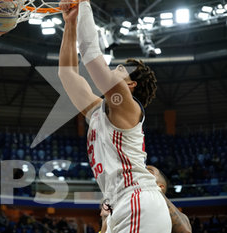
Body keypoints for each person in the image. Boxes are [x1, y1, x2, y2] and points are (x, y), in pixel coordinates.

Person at [58, 1, 170, 232]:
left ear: (130, 84)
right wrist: (70, 23)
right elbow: (67, 73)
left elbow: (91, 56)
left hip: (137, 199)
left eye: (119, 70)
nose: (112, 72)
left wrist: (83, 7)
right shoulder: (100, 110)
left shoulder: (127, 106)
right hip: (119, 204)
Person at [100, 166, 192, 233]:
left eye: (149, 171)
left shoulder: (173, 214)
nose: (143, 172)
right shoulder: (123, 206)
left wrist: (153, 188)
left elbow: (185, 231)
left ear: (161, 186)